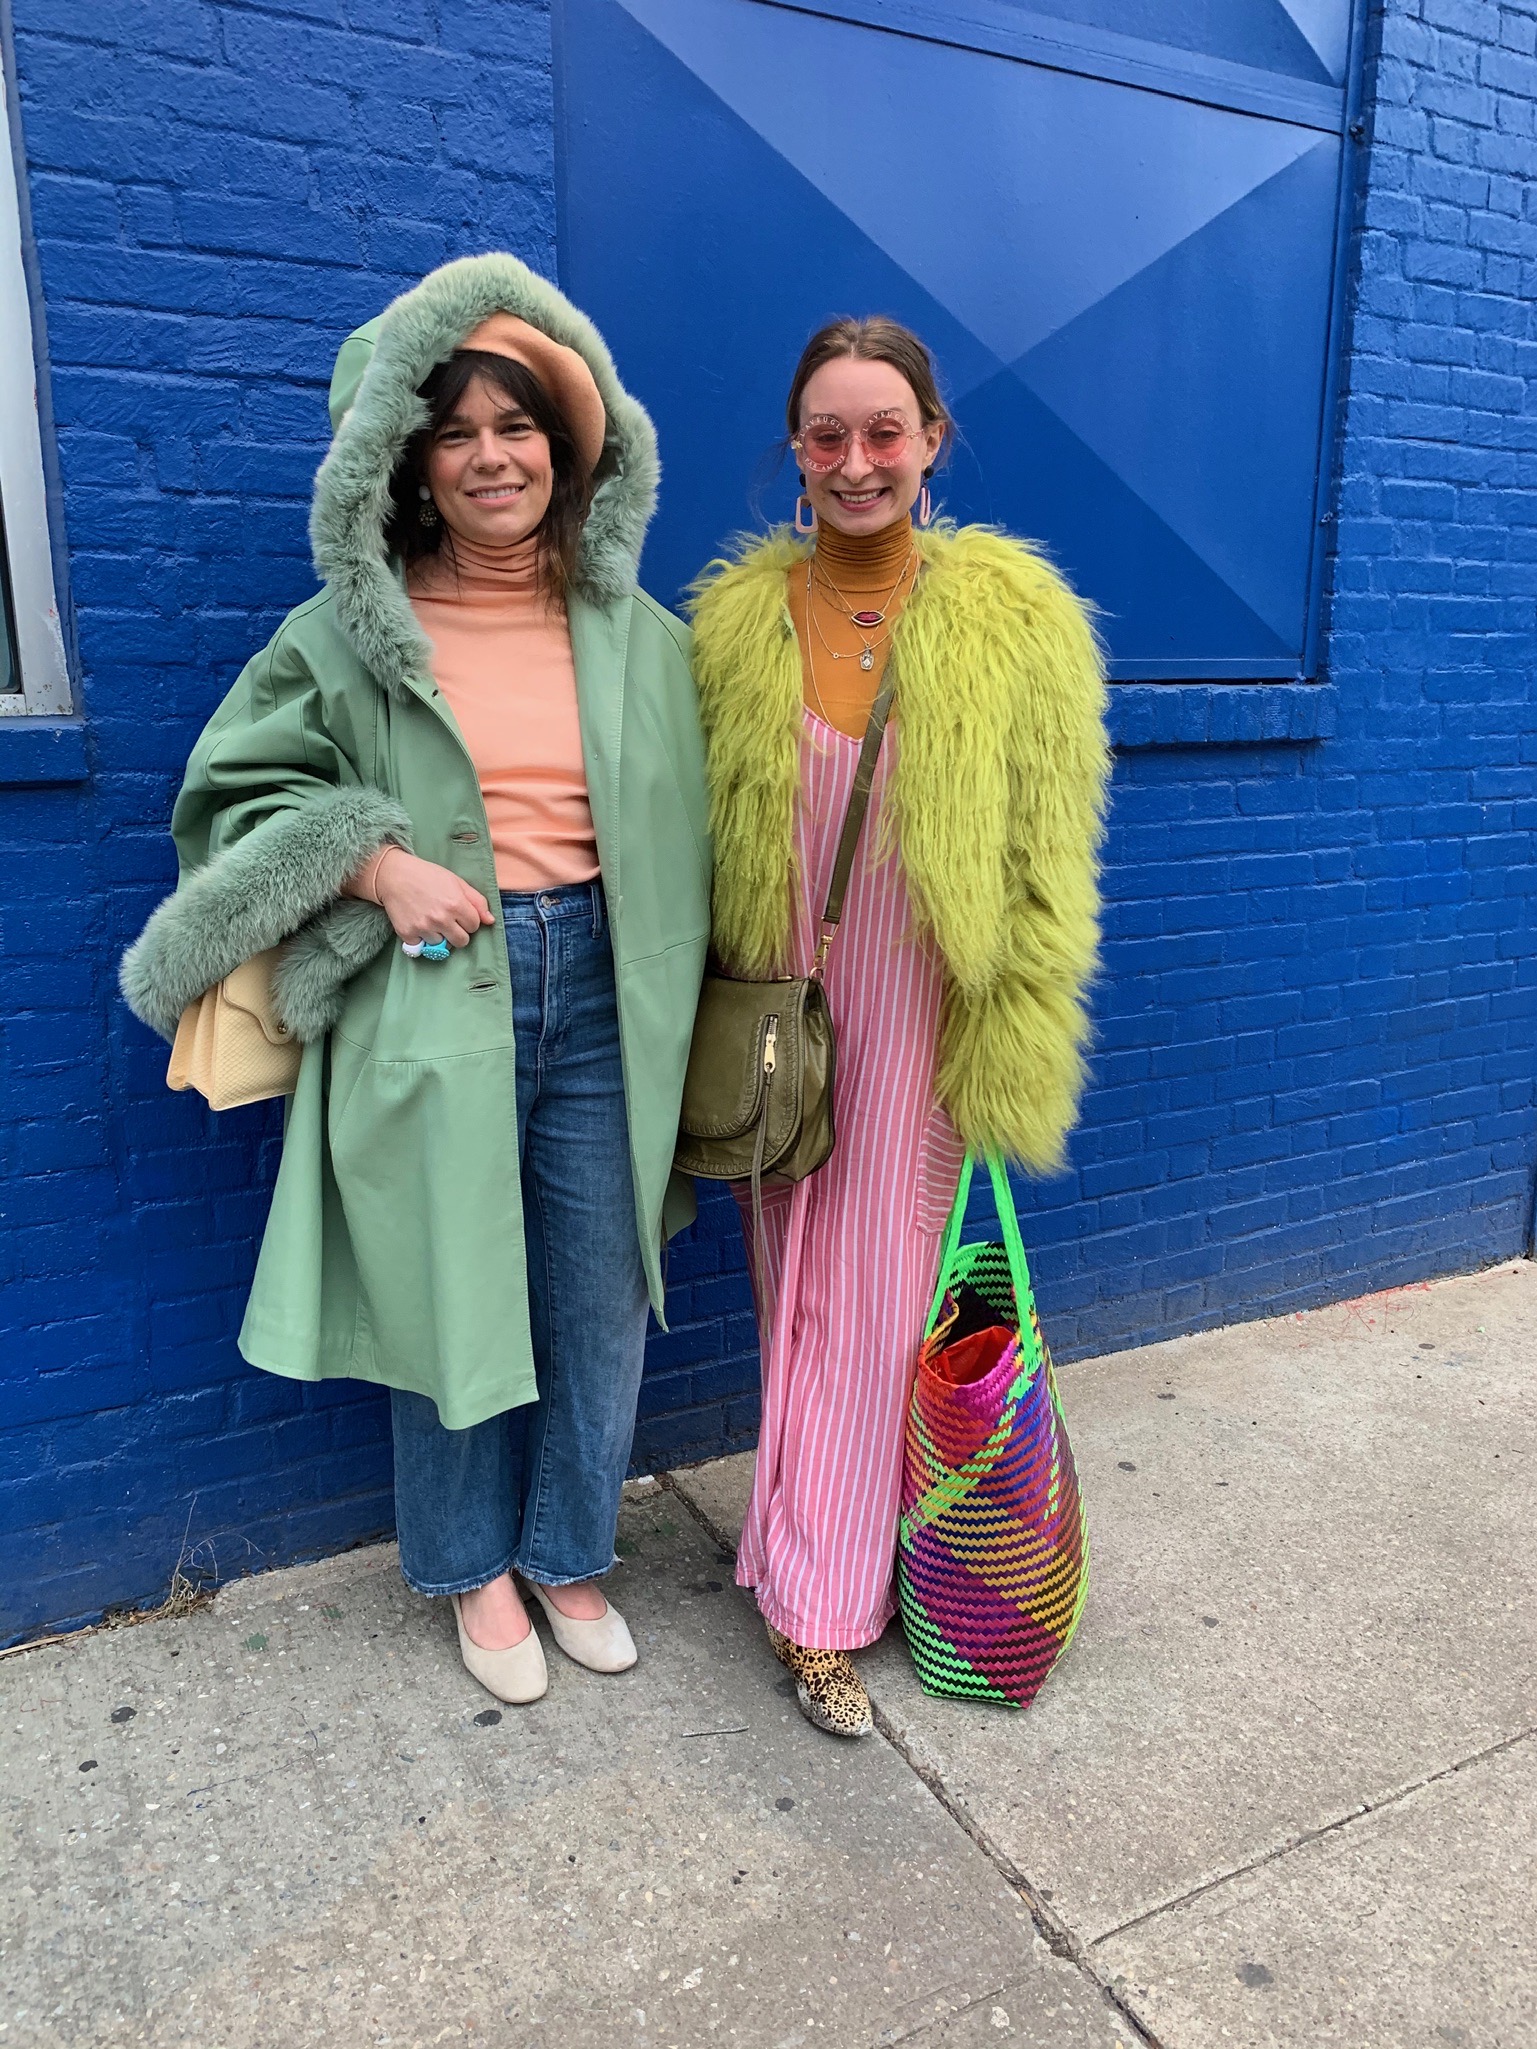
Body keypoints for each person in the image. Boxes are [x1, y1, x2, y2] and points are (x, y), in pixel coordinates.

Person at [123, 253, 710, 1706]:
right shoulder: (342, 637)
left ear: (567, 448)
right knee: (445, 1281)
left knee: (594, 1288)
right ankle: (466, 1569)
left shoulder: (643, 638)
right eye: (456, 432)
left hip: (606, 997)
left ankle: (571, 1548)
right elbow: (231, 794)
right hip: (436, 983)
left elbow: (707, 822)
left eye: (516, 426)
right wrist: (374, 863)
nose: (491, 456)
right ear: (410, 462)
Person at [688, 316, 1109, 1737]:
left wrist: (1018, 1033)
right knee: (793, 1301)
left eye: (884, 431)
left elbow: (1053, 859)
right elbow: (694, 833)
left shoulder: (1012, 616)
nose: (856, 462)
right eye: (827, 435)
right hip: (782, 1026)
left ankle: (823, 1601)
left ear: (933, 439)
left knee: (879, 1308)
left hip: (926, 1014)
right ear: (792, 454)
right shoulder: (737, 622)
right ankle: (822, 1556)